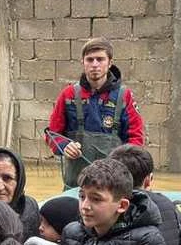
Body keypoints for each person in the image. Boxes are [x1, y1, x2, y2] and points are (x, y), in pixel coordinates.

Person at [45, 37, 145, 188]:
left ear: (110, 63)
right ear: (83, 62)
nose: (95, 65)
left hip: (113, 187)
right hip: (76, 185)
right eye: (90, 60)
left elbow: (136, 140)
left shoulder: (125, 97)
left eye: (100, 59)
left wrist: (126, 167)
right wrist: (64, 146)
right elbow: (52, 134)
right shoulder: (68, 95)